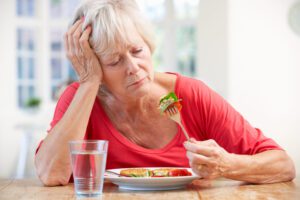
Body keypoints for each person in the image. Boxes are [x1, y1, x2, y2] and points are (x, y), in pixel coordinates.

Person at [35, 0, 295, 186]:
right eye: (114, 62)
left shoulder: (190, 95)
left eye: (137, 51)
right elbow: (51, 174)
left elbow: (283, 165)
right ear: (93, 65)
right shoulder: (80, 98)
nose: (134, 68)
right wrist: (90, 82)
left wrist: (226, 165)